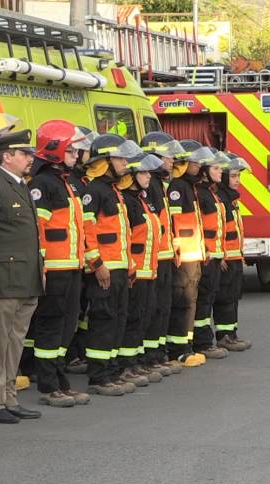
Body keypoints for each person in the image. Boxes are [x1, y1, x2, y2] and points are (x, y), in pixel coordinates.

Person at [0, 127, 44, 424]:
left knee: (14, 343)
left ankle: (9, 397)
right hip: (1, 279)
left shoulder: (19, 184)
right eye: (24, 153)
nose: (30, 158)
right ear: (7, 156)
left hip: (25, 279)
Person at [28, 120, 91, 408]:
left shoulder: (65, 183)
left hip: (72, 267)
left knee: (67, 326)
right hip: (53, 270)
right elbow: (37, 230)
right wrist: (39, 267)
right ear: (55, 150)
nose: (76, 156)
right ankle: (48, 385)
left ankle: (59, 378)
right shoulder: (42, 184)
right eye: (72, 151)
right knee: (51, 326)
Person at [81, 134, 140, 395]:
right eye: (119, 158)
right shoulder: (94, 190)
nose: (125, 163)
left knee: (117, 318)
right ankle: (99, 376)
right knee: (104, 319)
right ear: (105, 160)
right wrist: (97, 263)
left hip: (118, 267)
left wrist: (128, 266)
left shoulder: (112, 190)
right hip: (103, 268)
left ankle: (112, 369)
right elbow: (87, 230)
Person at [118, 151, 166, 382]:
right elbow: (125, 238)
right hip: (135, 271)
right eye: (144, 172)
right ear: (132, 175)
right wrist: (130, 268)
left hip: (149, 269)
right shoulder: (127, 200)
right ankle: (126, 365)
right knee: (133, 317)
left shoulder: (141, 199)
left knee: (144, 316)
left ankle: (136, 361)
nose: (148, 176)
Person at [140, 131, 185, 374]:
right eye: (168, 157)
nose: (171, 161)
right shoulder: (153, 187)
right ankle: (150, 357)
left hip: (165, 256)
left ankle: (157, 354)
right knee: (153, 308)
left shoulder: (159, 184)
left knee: (162, 307)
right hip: (155, 259)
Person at [165, 140, 211, 368]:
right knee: (182, 302)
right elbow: (173, 223)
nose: (199, 166)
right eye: (195, 162)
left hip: (192, 255)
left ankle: (187, 346)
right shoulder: (177, 187)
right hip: (183, 258)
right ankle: (178, 350)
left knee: (190, 302)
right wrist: (177, 251)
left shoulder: (188, 186)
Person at [64, 125, 97, 376]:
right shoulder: (72, 182)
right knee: (71, 312)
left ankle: (79, 350)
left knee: (82, 310)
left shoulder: (81, 181)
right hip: (72, 261)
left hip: (82, 259)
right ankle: (72, 353)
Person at [192, 149, 231, 359]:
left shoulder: (212, 192)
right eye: (216, 168)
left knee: (209, 298)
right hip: (206, 256)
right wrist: (205, 250)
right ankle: (202, 342)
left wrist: (220, 253)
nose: (220, 172)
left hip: (214, 256)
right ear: (205, 171)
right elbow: (197, 225)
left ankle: (206, 341)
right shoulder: (201, 193)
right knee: (203, 300)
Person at [213, 154, 252, 352]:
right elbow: (216, 230)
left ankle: (232, 333)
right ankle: (224, 336)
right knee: (225, 298)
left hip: (234, 257)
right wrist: (220, 256)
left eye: (238, 176)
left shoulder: (231, 199)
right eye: (234, 176)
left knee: (234, 297)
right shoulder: (221, 199)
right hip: (226, 258)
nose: (237, 180)